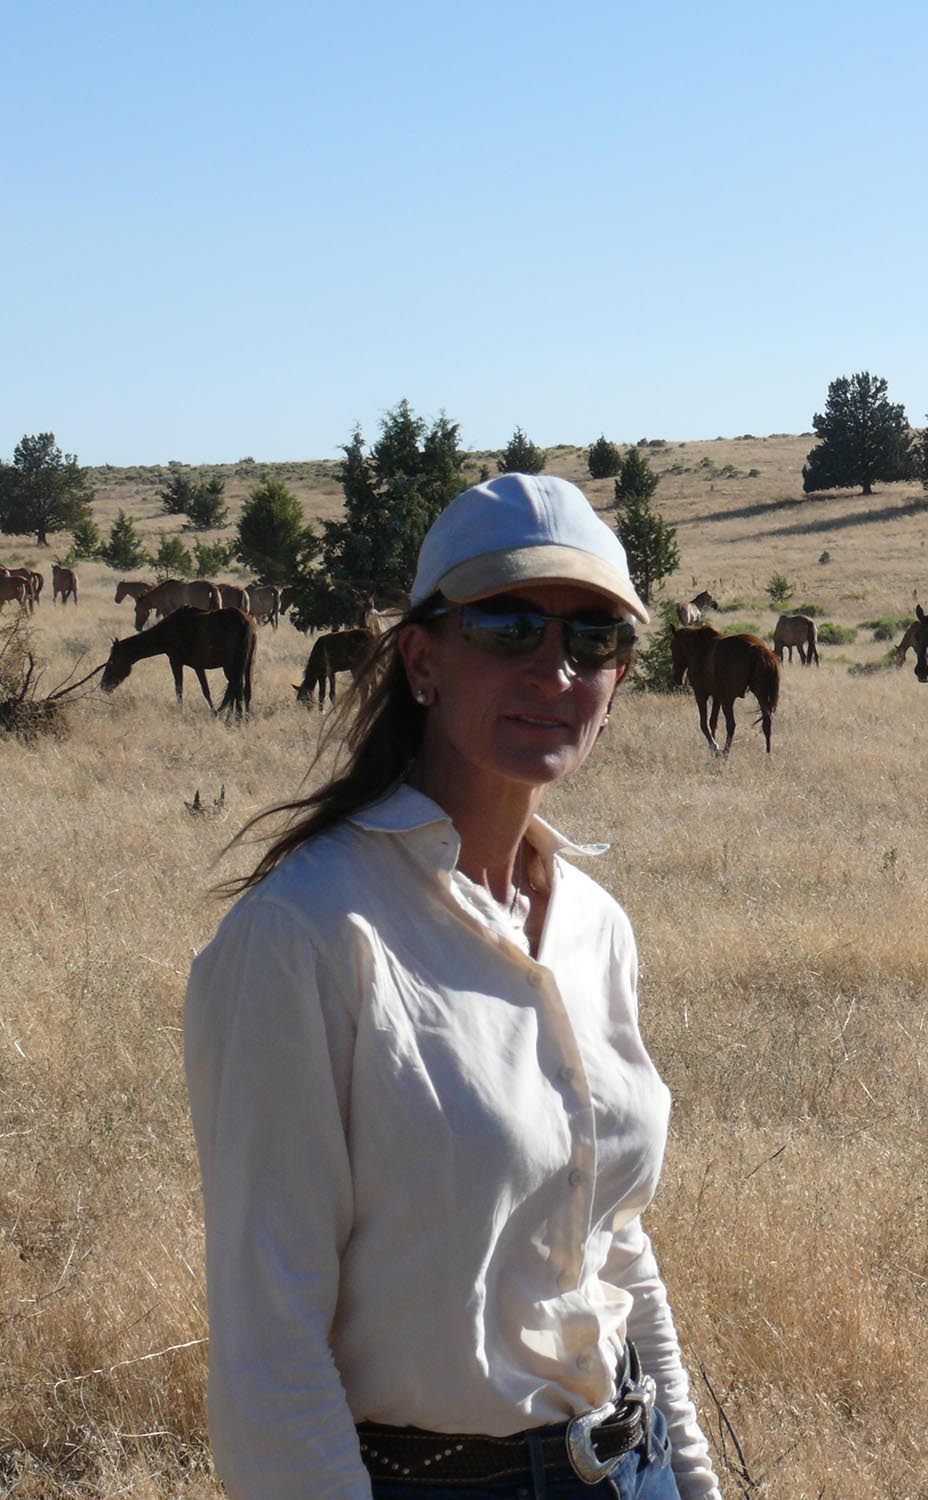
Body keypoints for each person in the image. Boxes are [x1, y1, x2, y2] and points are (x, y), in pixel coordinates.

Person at [184, 473, 720, 1499]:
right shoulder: (301, 935)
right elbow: (269, 1346)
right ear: (422, 657)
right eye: (510, 625)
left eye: (594, 638)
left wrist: (690, 1479)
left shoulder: (592, 928)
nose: (555, 670)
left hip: (626, 1460)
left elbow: (612, 1246)